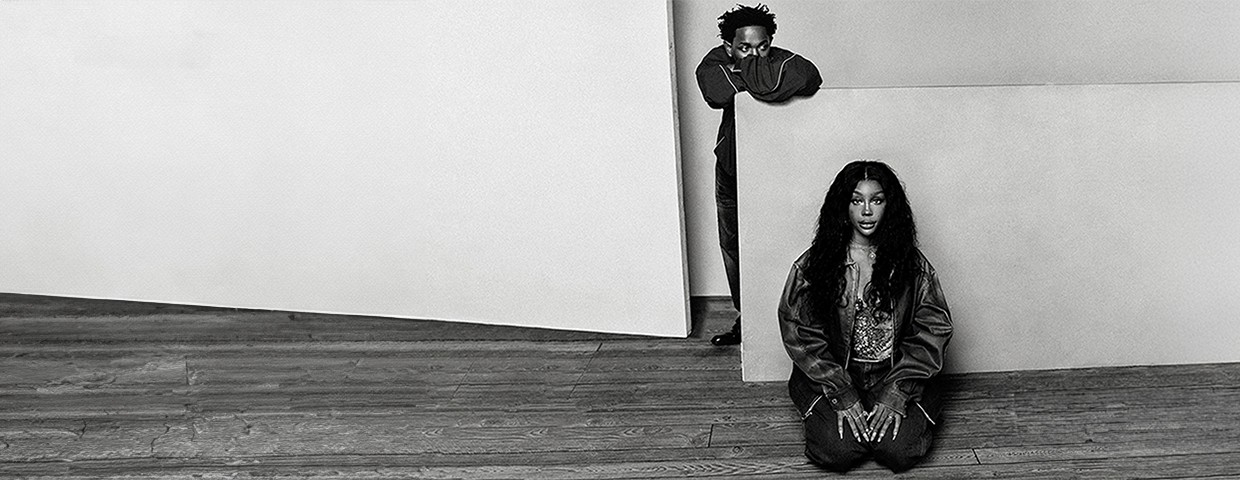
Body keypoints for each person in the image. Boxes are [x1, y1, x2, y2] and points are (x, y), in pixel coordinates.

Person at [778, 160, 952, 473]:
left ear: (889, 205)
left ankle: (892, 417)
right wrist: (841, 391)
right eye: (857, 200)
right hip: (837, 375)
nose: (867, 211)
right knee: (839, 451)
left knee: (898, 452)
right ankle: (847, 420)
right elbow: (800, 332)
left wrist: (897, 391)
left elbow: (933, 330)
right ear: (843, 206)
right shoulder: (815, 265)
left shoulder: (912, 265)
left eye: (877, 200)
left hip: (894, 373)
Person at [696, 4, 822, 346]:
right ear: (727, 47)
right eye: (744, 48)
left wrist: (743, 72)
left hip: (775, 170)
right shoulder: (713, 62)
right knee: (734, 247)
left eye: (762, 46)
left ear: (771, 43)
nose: (754, 54)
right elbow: (716, 91)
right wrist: (763, 75)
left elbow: (809, 77)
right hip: (731, 170)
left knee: (781, 244)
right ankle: (749, 320)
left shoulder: (787, 59)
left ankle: (789, 322)